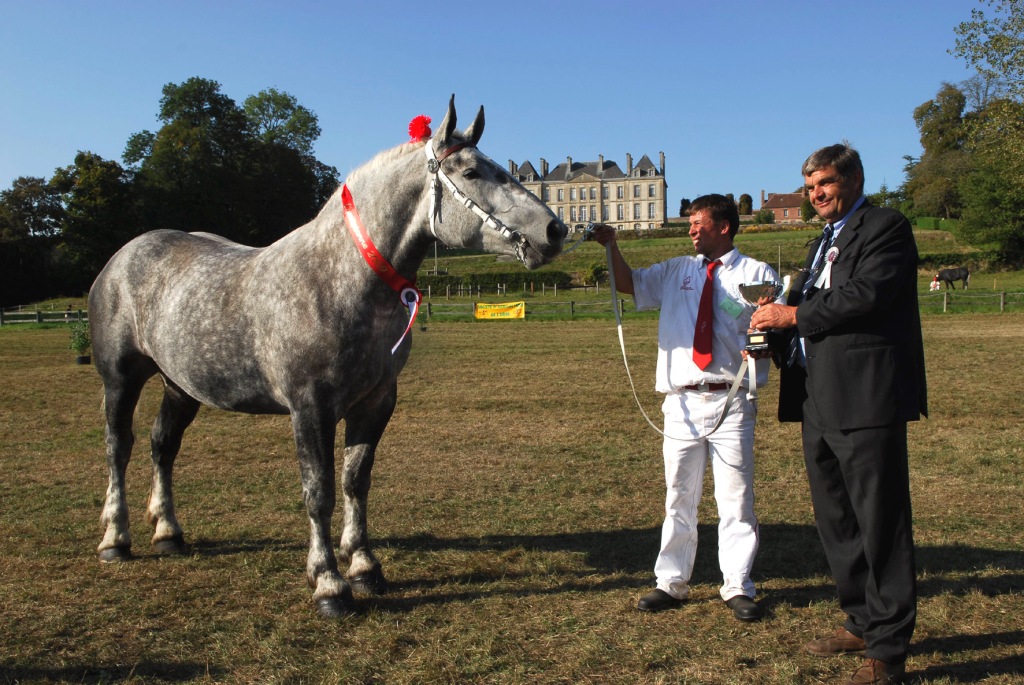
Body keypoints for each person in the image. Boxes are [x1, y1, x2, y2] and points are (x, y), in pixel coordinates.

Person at [750, 144, 927, 685]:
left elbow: (864, 295)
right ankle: (861, 620)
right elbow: (808, 312)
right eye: (809, 187)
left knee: (881, 523)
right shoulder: (820, 241)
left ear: (853, 179)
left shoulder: (885, 227)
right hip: (816, 398)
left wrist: (792, 312)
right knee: (837, 521)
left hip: (867, 396)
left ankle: (889, 653)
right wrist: (771, 335)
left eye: (824, 183)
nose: (816, 195)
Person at [592, 193, 780, 623]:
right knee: (678, 495)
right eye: (690, 223)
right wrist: (611, 246)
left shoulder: (756, 274)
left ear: (725, 226)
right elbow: (629, 283)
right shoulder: (677, 269)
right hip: (681, 401)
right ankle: (671, 583)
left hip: (732, 399)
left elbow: (771, 324)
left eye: (698, 223)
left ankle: (737, 586)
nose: (691, 229)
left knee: (736, 499)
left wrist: (764, 345)